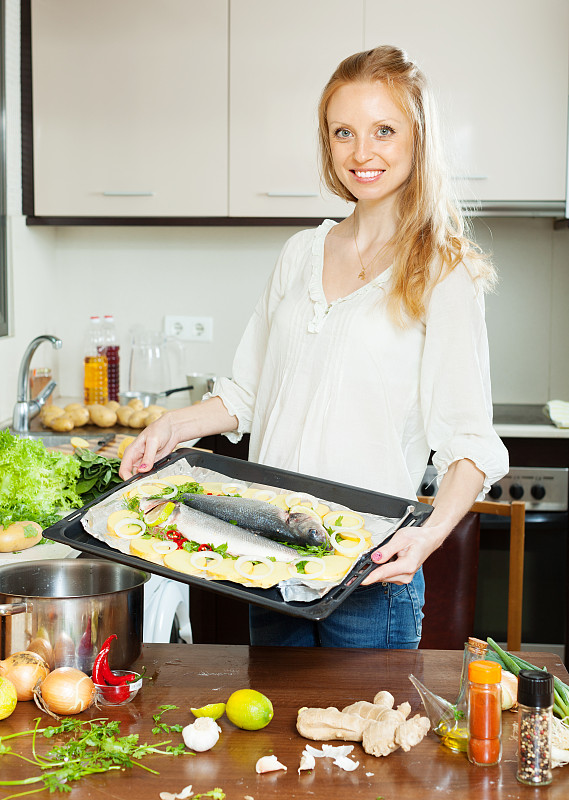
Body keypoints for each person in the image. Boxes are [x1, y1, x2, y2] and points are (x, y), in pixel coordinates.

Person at [120, 45, 508, 649]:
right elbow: (248, 392)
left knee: (364, 742)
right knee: (270, 739)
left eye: (384, 130)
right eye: (343, 132)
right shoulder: (300, 253)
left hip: (369, 572)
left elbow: (470, 444)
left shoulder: (442, 271)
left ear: (418, 138)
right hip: (267, 559)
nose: (362, 152)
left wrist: (428, 537)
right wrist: (176, 425)